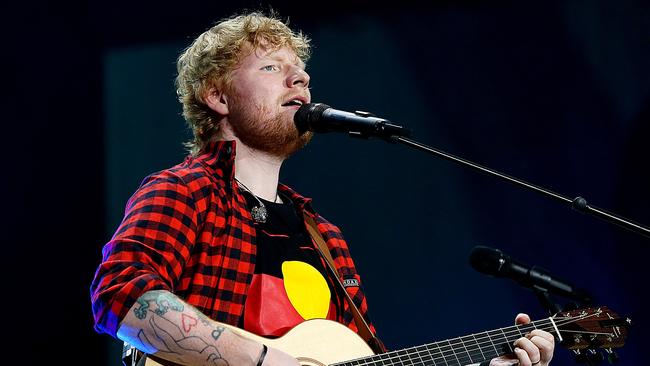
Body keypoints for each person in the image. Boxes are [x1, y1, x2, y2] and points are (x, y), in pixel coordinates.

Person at [90, 12, 555, 366]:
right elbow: (121, 294)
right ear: (218, 97)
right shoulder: (184, 191)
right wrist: (269, 362)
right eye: (272, 68)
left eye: (302, 73)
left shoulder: (325, 238)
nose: (301, 80)